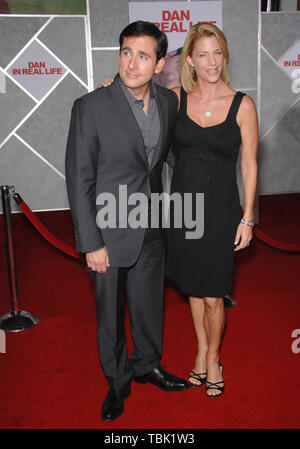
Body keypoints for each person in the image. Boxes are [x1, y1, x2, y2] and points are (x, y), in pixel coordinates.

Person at [65, 21, 189, 422]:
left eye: (143, 55)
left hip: (152, 224)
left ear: (158, 65)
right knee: (109, 314)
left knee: (148, 304)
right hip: (107, 231)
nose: (131, 63)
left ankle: (147, 364)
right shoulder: (91, 106)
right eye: (125, 52)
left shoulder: (169, 102)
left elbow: (167, 156)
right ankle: (117, 381)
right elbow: (79, 178)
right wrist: (91, 242)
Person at [166, 23, 258, 397]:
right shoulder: (174, 99)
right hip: (184, 209)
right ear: (190, 59)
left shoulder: (242, 104)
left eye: (217, 52)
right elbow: (133, 109)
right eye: (203, 54)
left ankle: (214, 358)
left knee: (213, 294)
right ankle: (202, 351)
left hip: (221, 210)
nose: (212, 62)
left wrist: (247, 218)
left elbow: (250, 165)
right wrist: (111, 87)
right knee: (192, 289)